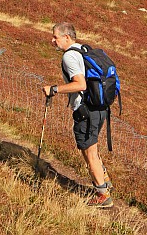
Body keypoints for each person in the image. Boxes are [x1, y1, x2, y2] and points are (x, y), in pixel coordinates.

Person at [43, 21, 113, 208]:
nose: (53, 41)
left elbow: (80, 84)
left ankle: (103, 195)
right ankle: (104, 179)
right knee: (91, 149)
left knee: (89, 153)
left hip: (86, 111)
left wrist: (54, 89)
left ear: (67, 37)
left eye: (55, 37)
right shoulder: (83, 49)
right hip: (99, 109)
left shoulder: (69, 57)